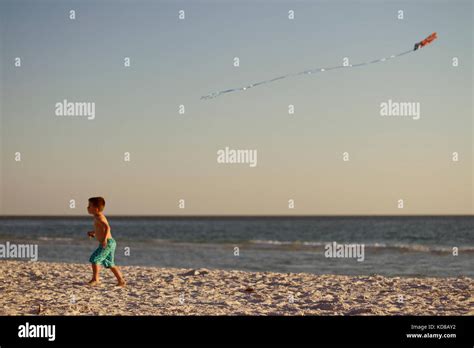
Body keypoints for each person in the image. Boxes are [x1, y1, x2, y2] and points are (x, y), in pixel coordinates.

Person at [87, 197, 126, 287]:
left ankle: (95, 279)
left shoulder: (99, 217)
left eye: (90, 206)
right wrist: (93, 232)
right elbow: (100, 229)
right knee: (110, 263)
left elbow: (108, 227)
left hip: (107, 243)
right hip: (111, 243)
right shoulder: (97, 217)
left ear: (96, 209)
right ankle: (121, 280)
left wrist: (104, 239)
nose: (87, 207)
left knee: (95, 259)